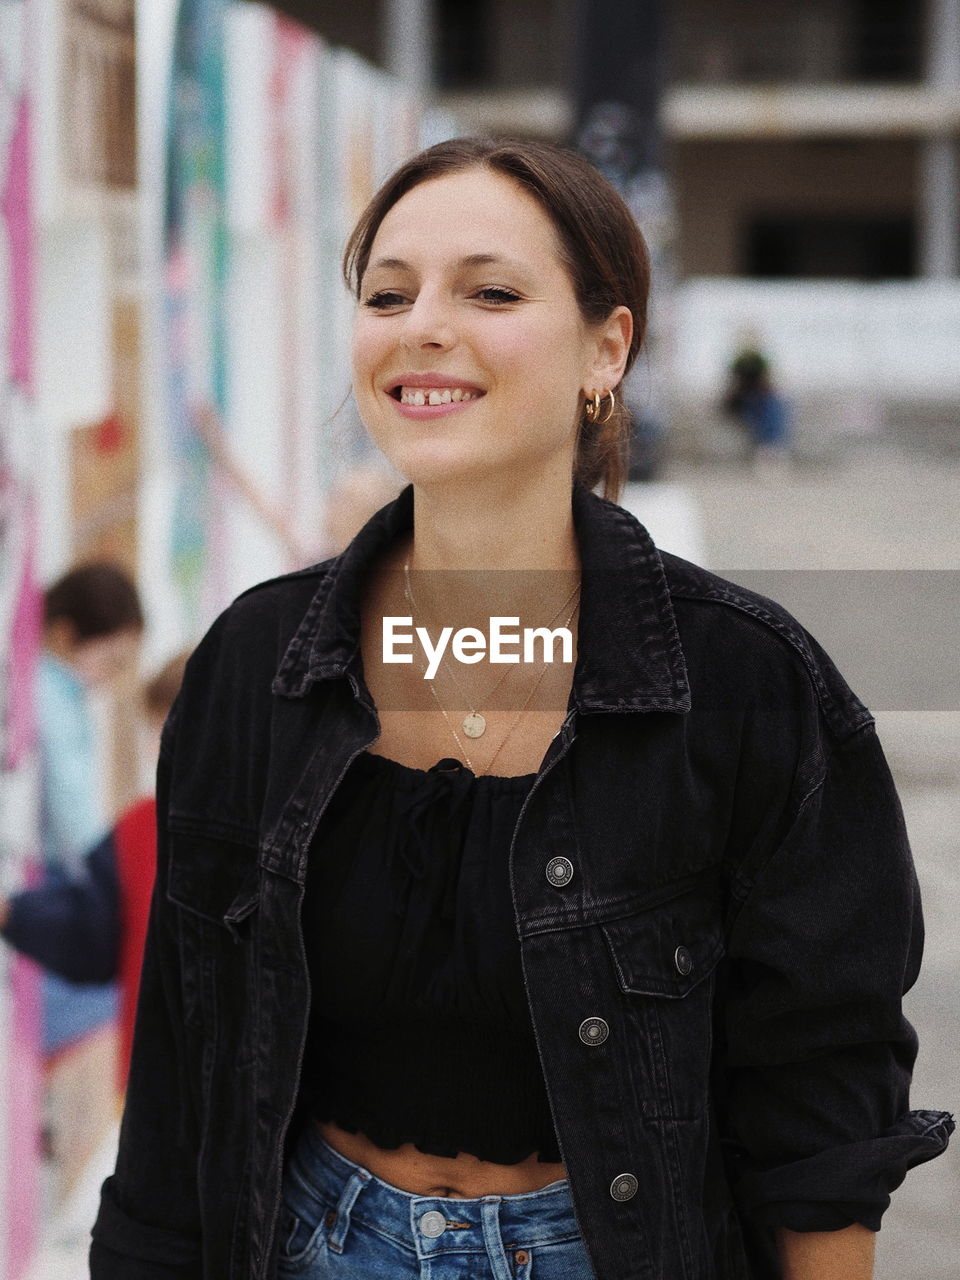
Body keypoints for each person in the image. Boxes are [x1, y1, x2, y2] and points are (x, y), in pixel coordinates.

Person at [91, 139, 952, 1280]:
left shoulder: (748, 685)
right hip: (306, 1241)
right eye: (387, 293)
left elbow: (824, 1105)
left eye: (489, 290)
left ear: (608, 347)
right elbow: (183, 1078)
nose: (423, 325)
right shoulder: (256, 662)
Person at [0, 651, 189, 1091]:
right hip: (161, 1100)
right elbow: (94, 924)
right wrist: (12, 913)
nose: (154, 751)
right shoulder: (146, 827)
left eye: (168, 735)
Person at [38, 561, 143, 1056]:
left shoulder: (64, 696)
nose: (114, 677)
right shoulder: (49, 695)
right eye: (113, 660)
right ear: (64, 633)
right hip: (47, 876)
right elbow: (71, 821)